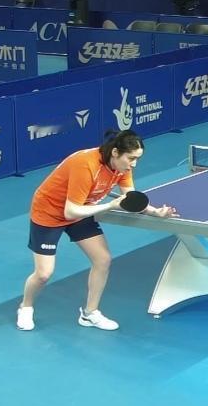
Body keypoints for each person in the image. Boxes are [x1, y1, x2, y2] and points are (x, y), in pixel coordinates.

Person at [18, 130, 177, 332]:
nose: (134, 164)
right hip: (50, 212)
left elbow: (131, 200)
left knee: (103, 260)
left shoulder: (122, 167)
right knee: (43, 274)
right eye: (131, 158)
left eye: (137, 159)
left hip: (83, 209)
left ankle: (89, 313)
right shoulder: (85, 165)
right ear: (115, 152)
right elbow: (70, 211)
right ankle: (26, 307)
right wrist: (109, 206)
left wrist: (156, 212)